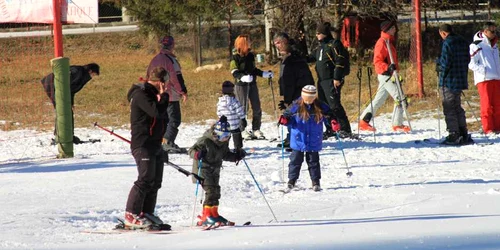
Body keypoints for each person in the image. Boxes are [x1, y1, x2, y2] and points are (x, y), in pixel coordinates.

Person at [124, 66, 170, 229]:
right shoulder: (141, 94)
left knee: (155, 181)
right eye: (166, 83)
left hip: (155, 143)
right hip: (142, 144)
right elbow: (156, 112)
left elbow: (162, 118)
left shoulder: (152, 94)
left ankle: (146, 211)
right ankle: (131, 213)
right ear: (160, 82)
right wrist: (164, 96)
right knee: (145, 179)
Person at [188, 116, 247, 227]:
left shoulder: (223, 143)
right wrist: (197, 154)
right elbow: (191, 150)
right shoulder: (205, 140)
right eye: (224, 136)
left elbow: (225, 155)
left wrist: (236, 157)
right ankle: (206, 216)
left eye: (228, 136)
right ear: (217, 133)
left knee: (216, 191)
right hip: (203, 169)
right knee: (210, 191)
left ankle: (214, 214)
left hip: (215, 170)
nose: (226, 138)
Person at [277, 85, 338, 192]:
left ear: (315, 97)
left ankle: (315, 182)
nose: (308, 101)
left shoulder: (320, 106)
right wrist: (285, 121)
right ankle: (292, 181)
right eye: (306, 99)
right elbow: (287, 117)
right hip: (298, 138)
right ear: (302, 96)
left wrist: (333, 122)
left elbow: (329, 115)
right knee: (295, 161)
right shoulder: (296, 105)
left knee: (313, 161)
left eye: (311, 99)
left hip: (314, 137)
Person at [359, 20, 411, 133]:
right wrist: (387, 68)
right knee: (400, 98)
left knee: (379, 99)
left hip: (389, 75)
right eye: (393, 28)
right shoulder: (382, 42)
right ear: (387, 29)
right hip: (386, 75)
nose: (395, 30)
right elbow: (377, 61)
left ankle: (364, 121)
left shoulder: (388, 41)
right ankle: (397, 124)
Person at [307, 22, 353, 140]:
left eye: (319, 33)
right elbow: (310, 58)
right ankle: (330, 128)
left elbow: (340, 61)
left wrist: (337, 77)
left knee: (334, 105)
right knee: (323, 106)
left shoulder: (334, 44)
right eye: (316, 33)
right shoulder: (320, 47)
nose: (317, 35)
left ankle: (345, 129)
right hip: (321, 81)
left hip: (331, 80)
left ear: (324, 33)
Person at [147, 35, 188, 154]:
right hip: (170, 94)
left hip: (156, 94)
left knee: (163, 119)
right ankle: (168, 142)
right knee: (174, 119)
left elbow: (148, 75)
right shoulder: (171, 60)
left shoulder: (154, 59)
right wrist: (183, 91)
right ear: (172, 45)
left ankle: (162, 140)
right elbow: (176, 77)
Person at [273, 32, 315, 149]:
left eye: (278, 43)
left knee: (294, 115)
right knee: (294, 115)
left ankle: (295, 139)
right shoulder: (290, 56)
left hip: (299, 92)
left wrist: (287, 99)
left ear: (285, 42)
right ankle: (291, 136)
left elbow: (289, 81)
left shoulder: (292, 59)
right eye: (275, 44)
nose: (277, 46)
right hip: (299, 90)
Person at [40, 63, 100, 144]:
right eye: (93, 74)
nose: (92, 77)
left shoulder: (82, 76)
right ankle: (60, 136)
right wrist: (66, 99)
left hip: (61, 88)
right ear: (90, 70)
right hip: (53, 84)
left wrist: (71, 102)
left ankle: (68, 135)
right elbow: (66, 83)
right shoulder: (78, 71)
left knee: (67, 111)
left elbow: (72, 90)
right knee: (62, 111)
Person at [230, 34, 274, 140]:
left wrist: (263, 74)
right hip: (241, 85)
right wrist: (242, 77)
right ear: (243, 43)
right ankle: (242, 129)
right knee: (243, 108)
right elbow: (234, 71)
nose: (251, 42)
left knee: (257, 106)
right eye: (248, 41)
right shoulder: (235, 56)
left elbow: (253, 69)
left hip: (252, 84)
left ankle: (256, 129)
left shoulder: (250, 55)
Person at [436, 24, 473, 145]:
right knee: (457, 106)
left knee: (449, 107)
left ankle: (453, 133)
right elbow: (468, 59)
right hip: (460, 78)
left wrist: (439, 66)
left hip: (448, 80)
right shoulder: (463, 41)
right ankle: (463, 132)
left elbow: (445, 63)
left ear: (443, 33)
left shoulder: (448, 43)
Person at [469, 22, 500, 134]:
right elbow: (471, 63)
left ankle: (497, 127)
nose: (494, 33)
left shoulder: (495, 46)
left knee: (497, 105)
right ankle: (488, 128)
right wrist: (484, 70)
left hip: (496, 78)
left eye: (495, 31)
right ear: (485, 31)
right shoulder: (476, 45)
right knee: (486, 105)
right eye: (492, 31)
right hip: (484, 79)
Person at [216, 81, 247, 150]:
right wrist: (243, 119)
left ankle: (224, 149)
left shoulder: (220, 101)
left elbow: (218, 112)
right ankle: (238, 149)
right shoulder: (234, 101)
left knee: (225, 136)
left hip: (224, 124)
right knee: (237, 135)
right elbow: (239, 110)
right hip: (234, 123)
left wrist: (221, 118)